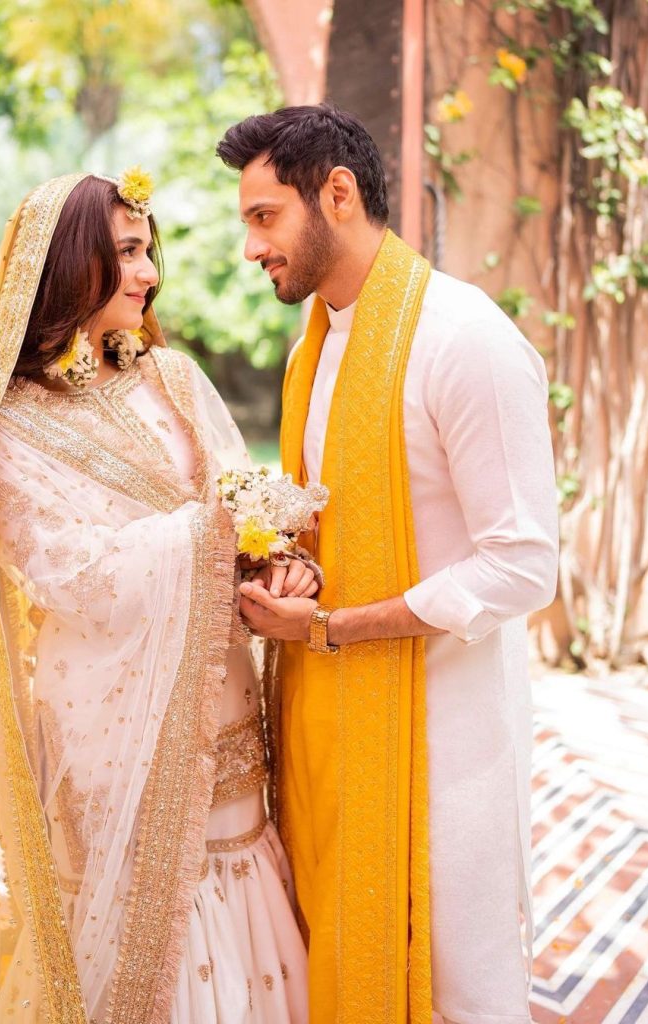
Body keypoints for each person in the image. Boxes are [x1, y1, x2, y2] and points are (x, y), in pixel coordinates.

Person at [0, 170, 311, 1023]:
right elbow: (78, 576)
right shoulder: (8, 426)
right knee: (138, 904)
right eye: (128, 253)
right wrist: (215, 533)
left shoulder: (174, 379)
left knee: (236, 857)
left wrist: (279, 558)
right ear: (71, 267)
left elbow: (245, 503)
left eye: (147, 251)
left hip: (219, 696)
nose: (149, 275)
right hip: (105, 714)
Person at [217, 105, 559, 1024]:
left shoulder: (464, 338)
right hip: (326, 721)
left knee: (456, 986)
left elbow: (524, 564)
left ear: (337, 192)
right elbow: (337, 527)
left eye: (264, 217)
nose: (251, 247)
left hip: (448, 744)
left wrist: (336, 629)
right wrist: (298, 575)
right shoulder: (315, 350)